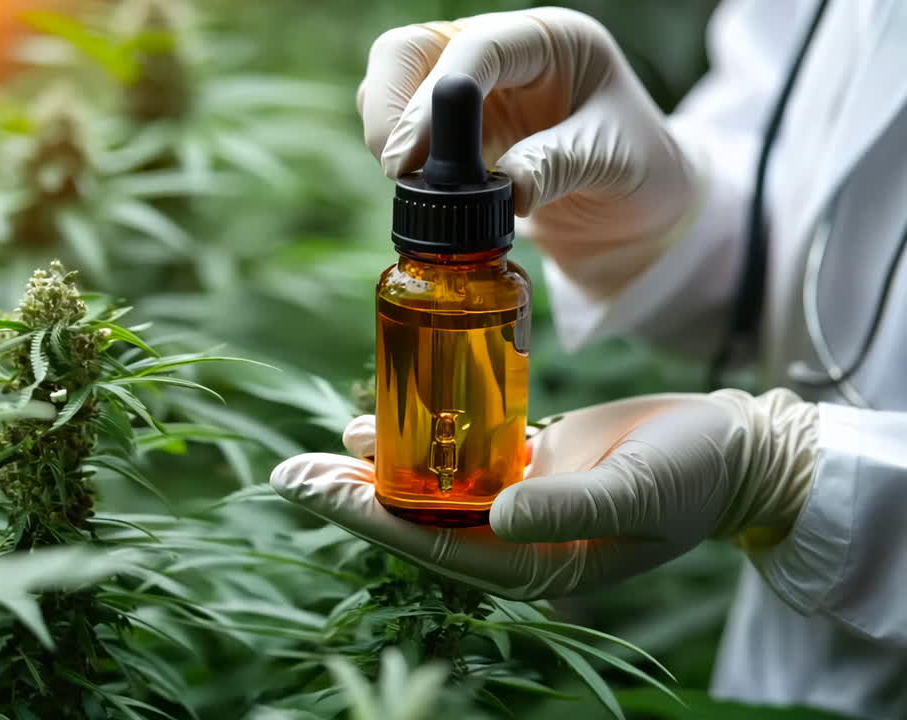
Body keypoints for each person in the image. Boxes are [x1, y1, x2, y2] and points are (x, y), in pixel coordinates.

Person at [269, 1, 907, 718]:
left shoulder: (493, 287)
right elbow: (805, 187)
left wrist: (797, 474)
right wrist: (670, 213)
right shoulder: (415, 284)